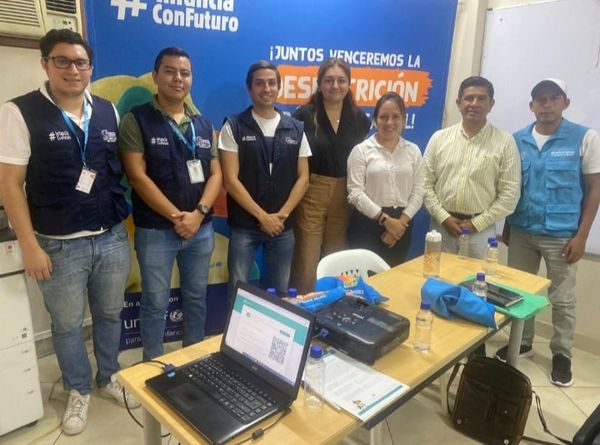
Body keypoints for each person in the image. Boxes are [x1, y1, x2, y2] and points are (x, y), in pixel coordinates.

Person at [0, 29, 138, 436]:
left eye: (81, 63)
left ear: (91, 68)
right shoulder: (20, 112)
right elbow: (10, 185)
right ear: (45, 64)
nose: (73, 70)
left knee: (110, 314)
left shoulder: (108, 111)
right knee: (67, 325)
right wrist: (29, 246)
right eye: (62, 61)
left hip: (111, 237)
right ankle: (78, 388)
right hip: (59, 246)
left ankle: (108, 375)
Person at [119, 47, 222, 360]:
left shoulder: (203, 125)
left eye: (185, 73)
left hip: (200, 230)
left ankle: (192, 358)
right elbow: (137, 177)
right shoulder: (137, 120)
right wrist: (178, 217)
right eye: (170, 71)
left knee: (196, 297)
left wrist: (198, 215)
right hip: (155, 232)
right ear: (155, 76)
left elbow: (216, 175)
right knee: (155, 302)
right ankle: (152, 364)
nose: (178, 78)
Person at [496, 79, 600, 387]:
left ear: (565, 103)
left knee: (562, 298)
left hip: (562, 235)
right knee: (519, 292)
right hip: (521, 230)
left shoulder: (585, 138)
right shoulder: (517, 140)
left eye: (554, 98)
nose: (547, 104)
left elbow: (594, 189)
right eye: (540, 99)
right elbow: (513, 188)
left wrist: (582, 236)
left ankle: (562, 354)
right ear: (531, 106)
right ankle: (522, 341)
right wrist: (508, 226)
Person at [219, 60, 310, 303]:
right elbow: (230, 180)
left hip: (282, 226)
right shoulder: (234, 126)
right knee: (238, 290)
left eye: (271, 83)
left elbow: (303, 178)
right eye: (259, 83)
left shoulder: (296, 128)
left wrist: (281, 216)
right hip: (244, 226)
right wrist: (263, 217)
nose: (266, 88)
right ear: (249, 88)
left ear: (279, 87)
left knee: (281, 292)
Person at [289, 58, 370, 293]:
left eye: (341, 80)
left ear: (349, 84)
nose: (335, 85)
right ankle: (304, 306)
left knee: (336, 256)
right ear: (320, 83)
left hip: (345, 194)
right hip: (312, 191)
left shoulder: (359, 118)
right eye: (329, 80)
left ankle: (332, 305)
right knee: (307, 257)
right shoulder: (303, 116)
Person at [423, 76, 521, 258]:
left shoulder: (505, 142)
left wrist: (477, 223)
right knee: (437, 275)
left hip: (481, 232)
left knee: (477, 276)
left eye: (481, 98)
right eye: (468, 98)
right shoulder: (439, 139)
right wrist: (444, 217)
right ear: (459, 103)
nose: (474, 103)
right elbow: (424, 184)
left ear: (491, 104)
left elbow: (510, 195)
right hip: (441, 228)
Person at [346, 92, 424, 265]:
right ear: (375, 120)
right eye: (383, 117)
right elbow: (355, 193)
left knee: (393, 276)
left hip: (402, 225)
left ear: (404, 119)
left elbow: (419, 191)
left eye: (395, 117)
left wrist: (400, 224)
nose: (389, 122)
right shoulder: (361, 151)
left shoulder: (413, 151)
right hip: (367, 223)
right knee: (365, 277)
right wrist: (385, 220)